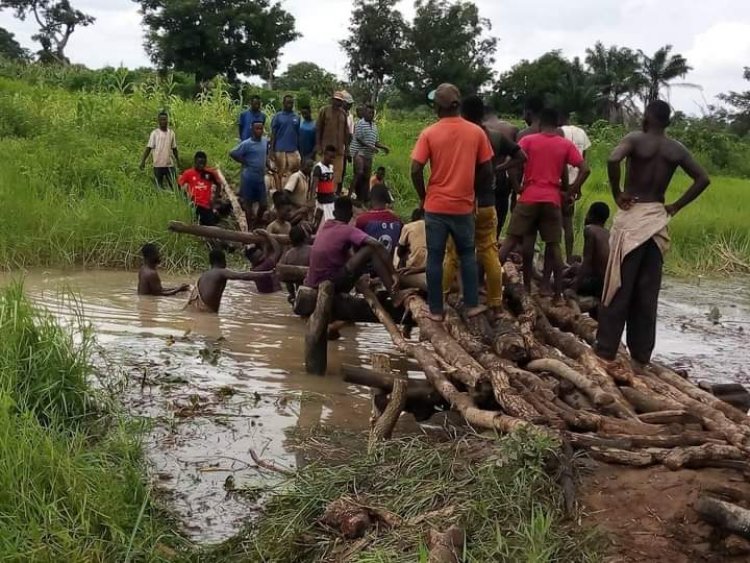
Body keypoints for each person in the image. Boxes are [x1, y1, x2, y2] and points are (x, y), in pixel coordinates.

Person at [595, 100, 711, 366]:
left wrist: (617, 193)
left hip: (634, 215)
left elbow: (613, 158)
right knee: (648, 292)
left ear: (647, 117)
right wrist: (676, 206)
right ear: (667, 122)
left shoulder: (635, 139)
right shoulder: (676, 148)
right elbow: (703, 179)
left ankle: (605, 350)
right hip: (657, 220)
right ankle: (641, 355)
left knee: (619, 286)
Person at [410, 83, 494, 321]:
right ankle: (470, 305)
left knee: (435, 257)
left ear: (439, 107)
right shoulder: (476, 132)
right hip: (463, 206)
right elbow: (487, 169)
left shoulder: (429, 133)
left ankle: (436, 310)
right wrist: (474, 191)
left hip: (435, 206)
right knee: (467, 254)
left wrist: (423, 195)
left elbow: (416, 168)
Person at [442, 95, 526, 314]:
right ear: (483, 114)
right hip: (488, 200)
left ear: (463, 113)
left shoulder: (457, 136)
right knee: (489, 250)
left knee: (453, 252)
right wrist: (500, 169)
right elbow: (521, 156)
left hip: (462, 202)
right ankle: (496, 305)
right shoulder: (496, 137)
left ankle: (442, 300)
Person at [499, 108, 590, 297]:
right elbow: (585, 169)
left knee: (514, 241)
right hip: (552, 199)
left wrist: (516, 186)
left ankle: (511, 286)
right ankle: (556, 293)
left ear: (539, 124)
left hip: (529, 197)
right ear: (558, 124)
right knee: (554, 245)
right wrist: (569, 192)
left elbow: (512, 163)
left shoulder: (528, 140)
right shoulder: (565, 144)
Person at [304, 197, 396, 293]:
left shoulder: (326, 227)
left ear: (334, 213)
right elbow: (378, 245)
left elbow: (348, 257)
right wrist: (393, 273)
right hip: (328, 284)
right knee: (370, 249)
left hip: (314, 282)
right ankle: (394, 294)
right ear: (351, 214)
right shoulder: (348, 230)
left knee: (357, 258)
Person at [185, 249, 271, 313]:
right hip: (207, 312)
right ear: (223, 260)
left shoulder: (204, 274)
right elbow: (243, 275)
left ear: (210, 262)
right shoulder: (221, 272)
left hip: (196, 309)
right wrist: (268, 273)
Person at [560, 113, 593, 263]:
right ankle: (568, 257)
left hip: (558, 182)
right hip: (574, 182)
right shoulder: (582, 133)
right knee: (568, 223)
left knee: (552, 223)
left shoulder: (558, 131)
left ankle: (553, 260)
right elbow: (583, 162)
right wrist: (578, 187)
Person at [483, 106, 521, 236]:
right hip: (502, 176)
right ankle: (495, 240)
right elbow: (517, 157)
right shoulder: (511, 128)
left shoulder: (479, 128)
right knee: (499, 215)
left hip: (481, 177)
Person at [230, 121, 270, 230]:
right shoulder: (246, 144)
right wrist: (244, 161)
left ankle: (257, 222)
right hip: (249, 178)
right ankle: (250, 227)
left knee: (263, 205)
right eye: (257, 129)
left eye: (261, 129)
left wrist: (268, 165)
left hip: (260, 178)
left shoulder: (264, 141)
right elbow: (233, 153)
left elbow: (265, 153)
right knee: (248, 204)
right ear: (252, 129)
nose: (259, 131)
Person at [349, 104, 390, 203]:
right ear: (364, 113)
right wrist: (370, 146)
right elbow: (358, 139)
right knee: (359, 172)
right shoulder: (360, 123)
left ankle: (361, 199)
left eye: (372, 113)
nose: (371, 114)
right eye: (369, 112)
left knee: (366, 177)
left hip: (368, 154)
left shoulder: (374, 126)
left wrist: (384, 147)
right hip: (359, 152)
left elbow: (376, 142)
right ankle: (349, 195)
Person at [571, 202, 610, 298]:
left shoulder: (590, 230)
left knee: (562, 283)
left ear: (591, 215)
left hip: (598, 284)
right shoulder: (608, 233)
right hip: (608, 284)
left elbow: (587, 262)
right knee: (574, 266)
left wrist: (573, 288)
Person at [178, 151, 228, 226]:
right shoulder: (188, 173)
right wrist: (185, 197)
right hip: (194, 205)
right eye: (199, 163)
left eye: (203, 163)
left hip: (206, 205)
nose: (201, 166)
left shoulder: (210, 173)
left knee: (211, 227)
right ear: (195, 162)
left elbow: (218, 185)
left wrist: (214, 200)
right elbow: (178, 185)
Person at [354, 184, 402, 260]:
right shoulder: (397, 220)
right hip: (388, 268)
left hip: (367, 267)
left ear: (371, 198)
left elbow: (356, 246)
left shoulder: (362, 219)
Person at [316, 92, 349, 196]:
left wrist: (347, 148)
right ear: (332, 100)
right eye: (336, 100)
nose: (337, 102)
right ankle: (319, 194)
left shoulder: (343, 113)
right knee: (322, 172)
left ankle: (331, 194)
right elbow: (318, 129)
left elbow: (346, 132)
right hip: (325, 149)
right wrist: (318, 145)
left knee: (336, 175)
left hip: (339, 151)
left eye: (340, 101)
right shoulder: (324, 111)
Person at [140, 112, 179, 189]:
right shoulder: (154, 133)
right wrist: (143, 161)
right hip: (158, 165)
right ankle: (161, 199)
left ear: (167, 120)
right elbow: (148, 148)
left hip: (169, 165)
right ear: (158, 121)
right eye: (161, 120)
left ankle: (176, 199)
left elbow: (174, 148)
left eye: (165, 119)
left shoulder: (171, 133)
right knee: (159, 187)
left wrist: (178, 161)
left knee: (174, 186)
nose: (163, 122)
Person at [270, 95, 301, 185]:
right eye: (288, 102)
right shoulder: (278, 116)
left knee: (293, 173)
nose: (290, 105)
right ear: (283, 103)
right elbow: (273, 134)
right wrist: (271, 150)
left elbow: (298, 134)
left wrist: (300, 149)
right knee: (280, 173)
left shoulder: (296, 117)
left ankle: (290, 192)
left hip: (293, 150)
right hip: (280, 150)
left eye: (291, 103)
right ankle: (279, 192)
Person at [279, 225, 312, 303]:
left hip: (298, 291)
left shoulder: (288, 255)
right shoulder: (312, 250)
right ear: (304, 237)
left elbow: (286, 278)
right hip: (311, 287)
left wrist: (292, 294)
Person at [244, 230, 283, 294]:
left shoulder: (254, 269)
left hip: (267, 295)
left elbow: (264, 255)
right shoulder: (265, 265)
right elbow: (278, 250)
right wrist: (267, 234)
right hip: (276, 294)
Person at [312, 145, 337, 226]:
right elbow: (314, 185)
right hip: (322, 200)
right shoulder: (318, 168)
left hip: (330, 198)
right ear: (325, 155)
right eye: (330, 157)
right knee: (320, 222)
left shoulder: (331, 167)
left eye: (333, 157)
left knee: (330, 222)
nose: (332, 159)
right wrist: (312, 198)